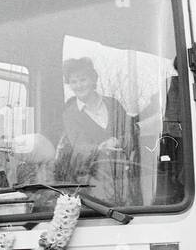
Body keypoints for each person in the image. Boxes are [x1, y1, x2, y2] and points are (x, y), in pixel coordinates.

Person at [58, 57, 139, 205]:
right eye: (73, 82)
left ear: (93, 79)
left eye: (83, 79)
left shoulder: (113, 104)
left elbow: (130, 135)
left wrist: (119, 141)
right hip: (93, 181)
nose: (78, 85)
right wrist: (101, 147)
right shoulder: (70, 114)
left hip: (125, 177)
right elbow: (79, 148)